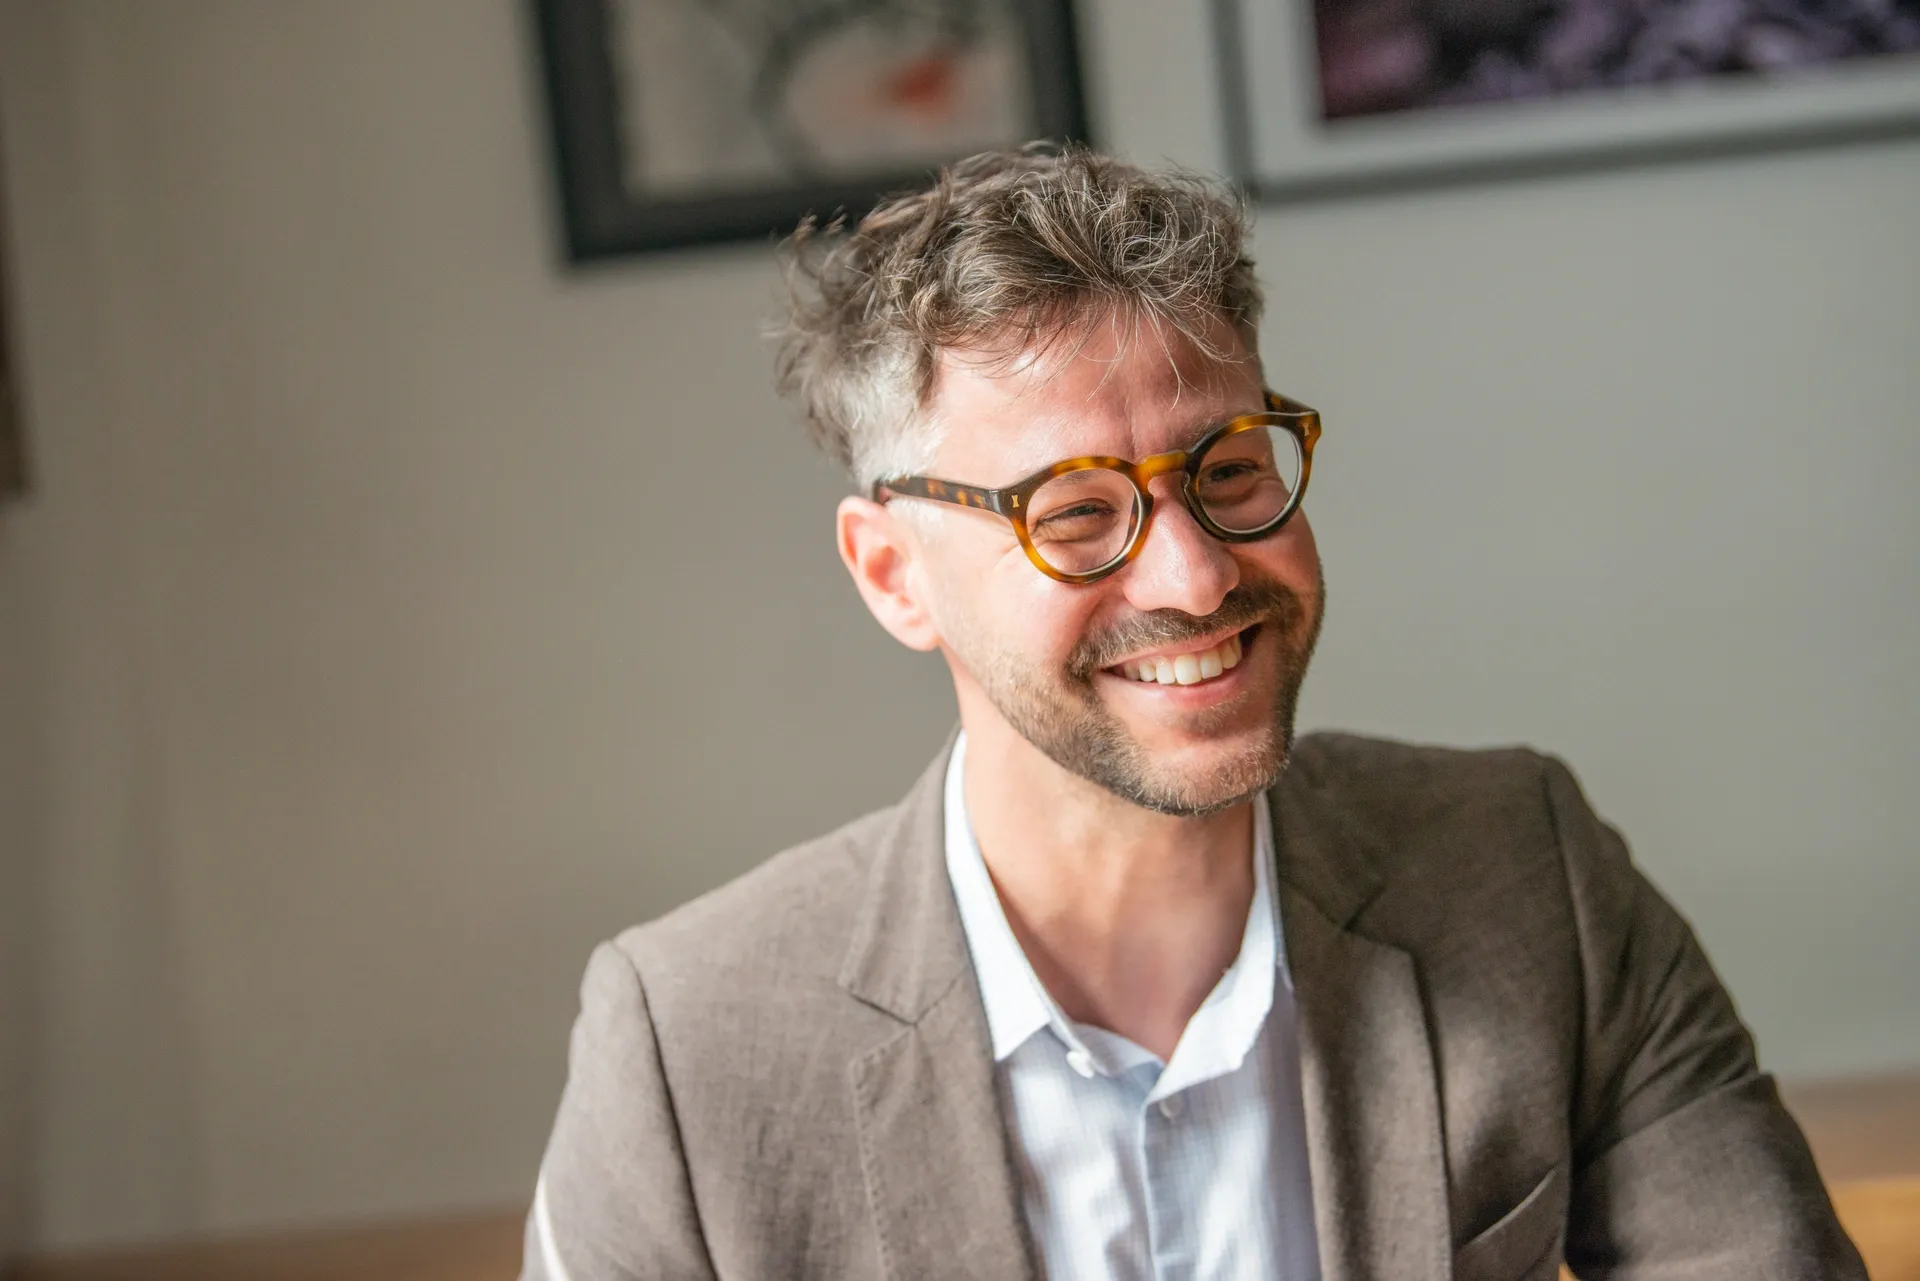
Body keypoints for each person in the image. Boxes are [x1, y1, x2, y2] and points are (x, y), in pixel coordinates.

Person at [520, 145, 1863, 1280]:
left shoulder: (1528, 872)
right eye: (1075, 514)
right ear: (892, 575)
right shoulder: (686, 1044)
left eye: (1228, 471)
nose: (1198, 576)